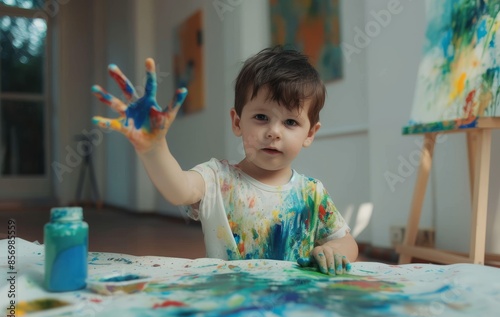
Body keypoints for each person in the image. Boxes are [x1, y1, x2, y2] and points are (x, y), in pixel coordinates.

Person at [92, 46, 358, 275]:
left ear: (310, 133)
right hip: (229, 305)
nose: (273, 132)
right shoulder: (217, 178)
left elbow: (347, 242)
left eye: (290, 122)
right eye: (261, 117)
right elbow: (178, 189)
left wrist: (334, 250)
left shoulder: (312, 193)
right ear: (237, 121)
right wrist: (153, 148)